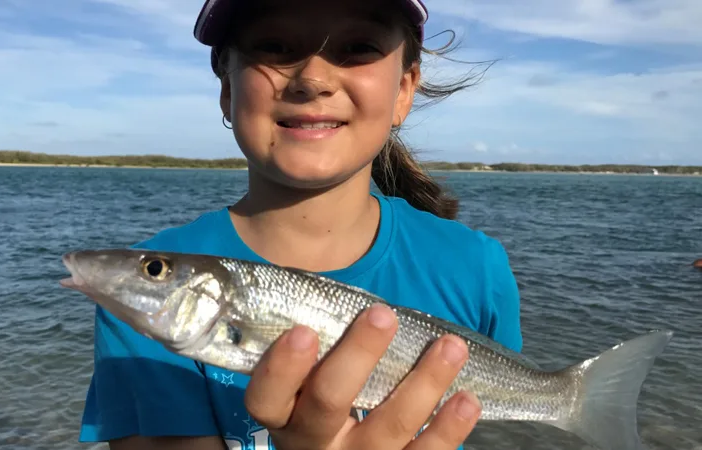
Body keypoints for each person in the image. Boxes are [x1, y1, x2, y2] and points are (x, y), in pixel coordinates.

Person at [78, 0, 523, 449]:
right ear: (228, 90)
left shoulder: (478, 268)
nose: (313, 79)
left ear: (403, 91)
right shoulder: (142, 307)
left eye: (358, 46)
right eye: (274, 46)